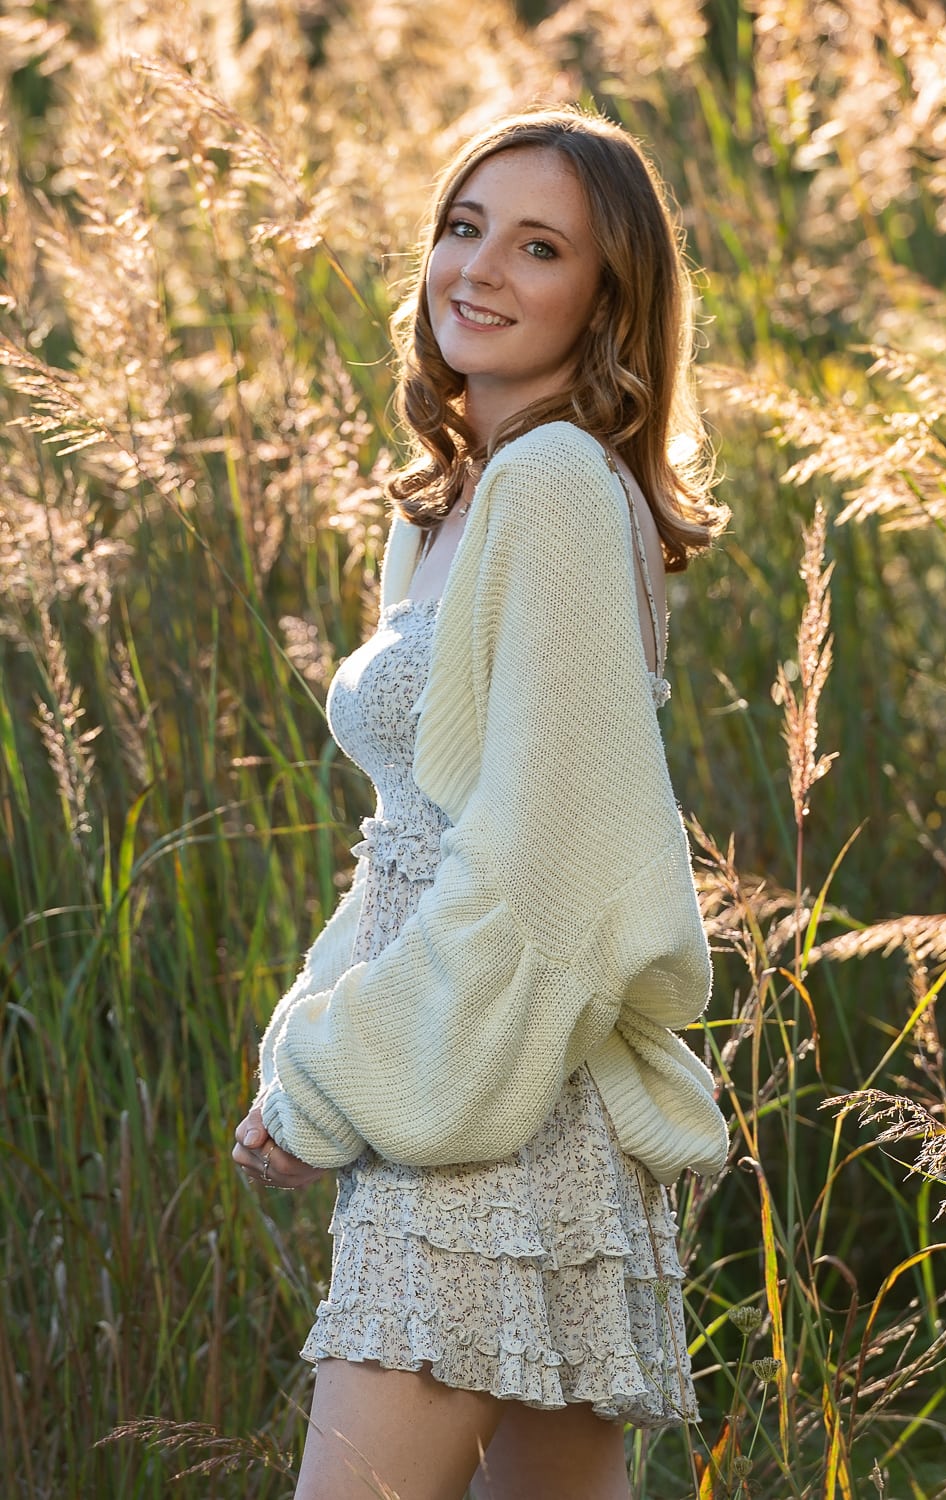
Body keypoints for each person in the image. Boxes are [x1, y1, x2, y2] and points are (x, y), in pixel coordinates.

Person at [233, 107, 729, 1500]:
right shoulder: (452, 500)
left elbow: (534, 879)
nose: (481, 271)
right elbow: (411, 837)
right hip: (451, 1081)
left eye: (539, 246)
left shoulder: (562, 485)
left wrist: (334, 1077)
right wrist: (307, 1044)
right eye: (464, 228)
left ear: (606, 297)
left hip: (487, 1120)